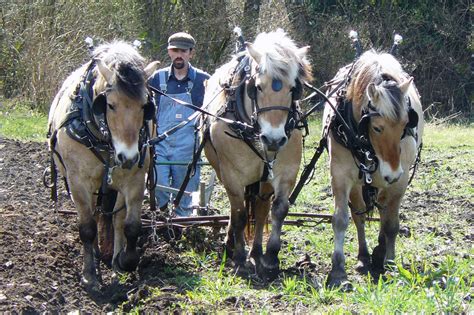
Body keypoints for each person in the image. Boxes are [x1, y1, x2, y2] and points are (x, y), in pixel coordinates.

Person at [148, 32, 210, 217]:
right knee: (158, 186)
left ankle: (182, 228)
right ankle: (164, 215)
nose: (179, 55)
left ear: (191, 53)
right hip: (161, 144)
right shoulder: (156, 79)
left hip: (188, 146)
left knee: (185, 192)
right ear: (169, 52)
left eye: (183, 51)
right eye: (175, 51)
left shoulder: (203, 80)